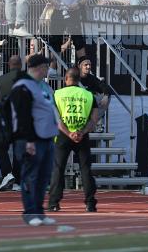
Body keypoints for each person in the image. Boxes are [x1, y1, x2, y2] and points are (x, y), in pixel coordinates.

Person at [9, 54, 59, 226]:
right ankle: (30, 213)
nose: (48, 70)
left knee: (43, 178)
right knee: (31, 177)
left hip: (46, 138)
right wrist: (28, 140)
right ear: (39, 67)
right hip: (31, 139)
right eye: (46, 67)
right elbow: (22, 116)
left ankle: (39, 211)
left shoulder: (43, 86)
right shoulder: (23, 87)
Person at [48, 67, 99, 213]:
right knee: (85, 169)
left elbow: (57, 119)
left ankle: (53, 203)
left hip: (64, 134)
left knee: (58, 168)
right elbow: (94, 120)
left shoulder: (57, 94)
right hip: (82, 134)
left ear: (66, 79)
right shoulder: (89, 95)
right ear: (79, 80)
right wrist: (81, 132)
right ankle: (90, 203)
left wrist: (69, 133)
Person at [0, 55, 24, 191]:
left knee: (1, 148)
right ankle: (17, 179)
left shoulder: (1, 79)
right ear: (21, 65)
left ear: (9, 65)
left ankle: (7, 174)